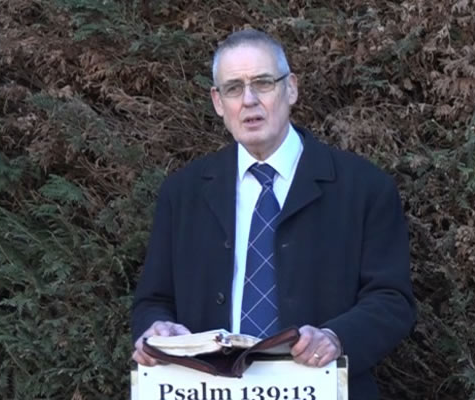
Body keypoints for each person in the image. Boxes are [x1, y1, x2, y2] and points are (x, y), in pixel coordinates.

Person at [131, 29, 416, 399]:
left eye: (263, 83)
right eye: (233, 88)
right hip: (207, 389)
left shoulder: (363, 187)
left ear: (291, 88)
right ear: (218, 102)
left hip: (319, 387)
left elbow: (392, 300)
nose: (249, 100)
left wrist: (336, 338)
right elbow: (154, 298)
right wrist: (158, 330)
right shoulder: (182, 193)